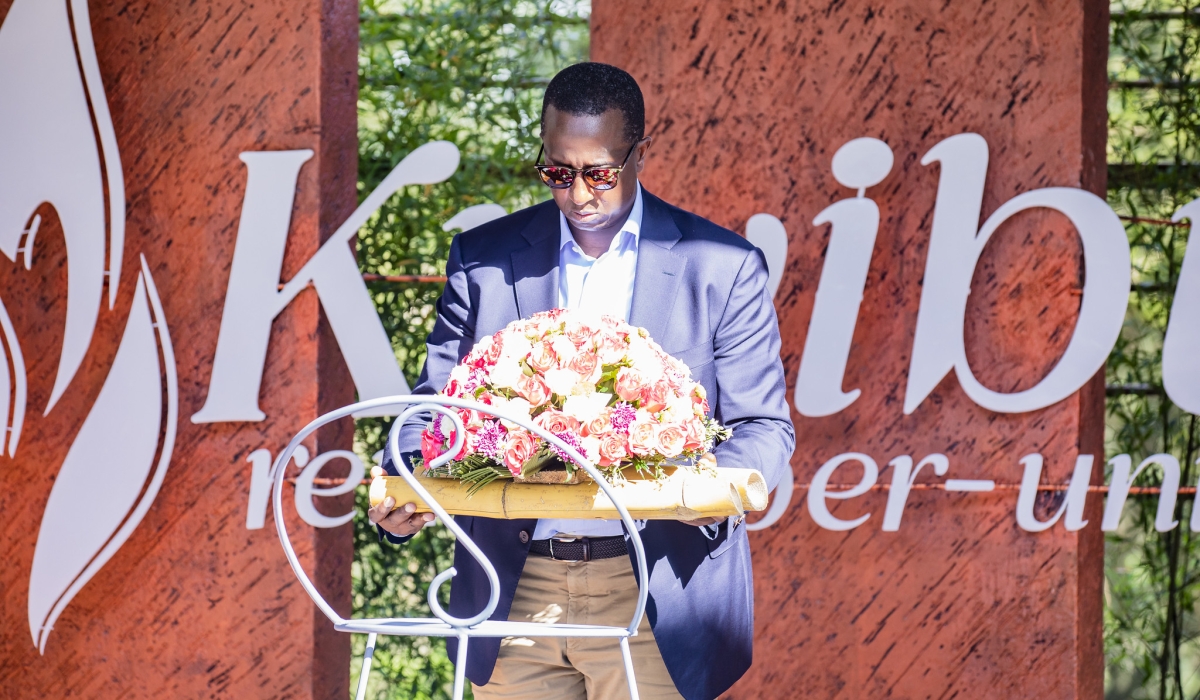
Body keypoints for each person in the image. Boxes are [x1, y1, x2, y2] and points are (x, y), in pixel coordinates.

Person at [369, 62, 795, 700]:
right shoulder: (483, 261)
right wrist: (407, 486)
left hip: (659, 589)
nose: (578, 195)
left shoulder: (722, 266)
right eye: (558, 173)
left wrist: (702, 491)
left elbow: (763, 428)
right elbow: (433, 412)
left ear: (639, 154)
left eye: (599, 173)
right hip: (514, 588)